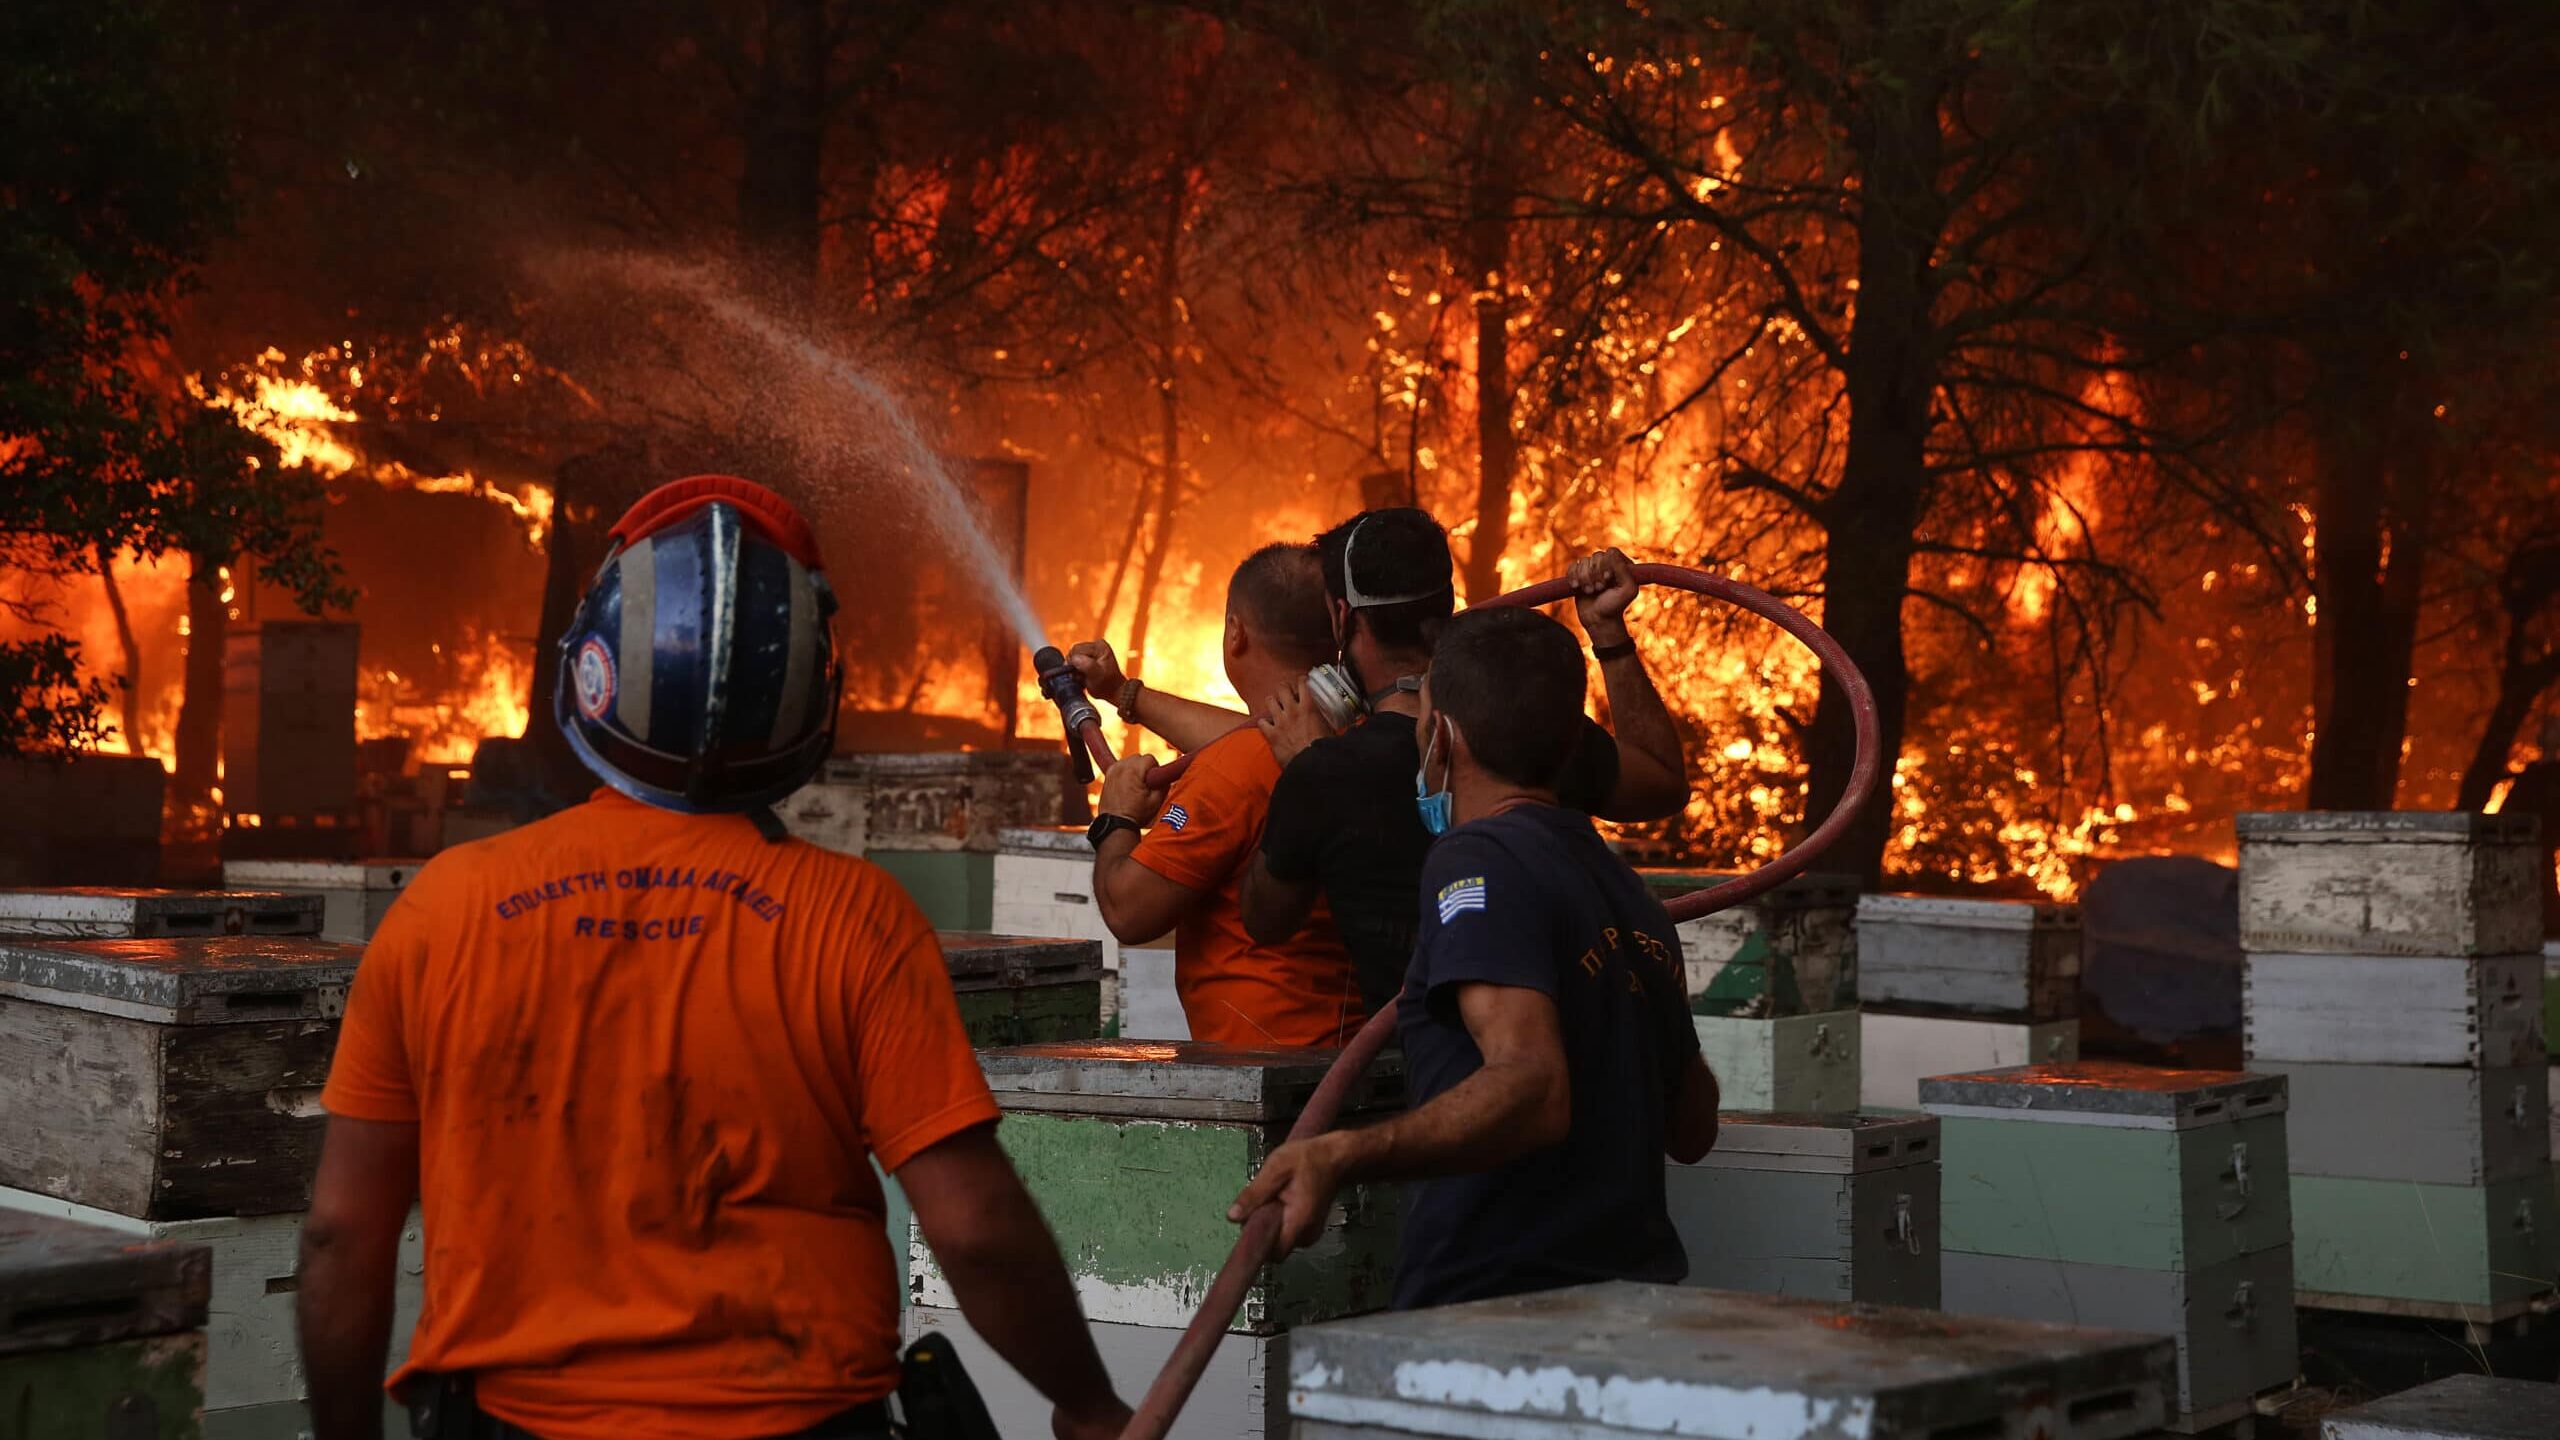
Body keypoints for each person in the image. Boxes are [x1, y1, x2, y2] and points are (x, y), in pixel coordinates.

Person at [297, 475, 1131, 1440]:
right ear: (810, 698)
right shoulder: (854, 918)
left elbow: (339, 1234)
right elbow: (978, 1235)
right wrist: (1089, 1401)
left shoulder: (442, 909)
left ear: (592, 671)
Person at [1227, 606, 1720, 1308]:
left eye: (1424, 720)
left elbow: (1533, 1088)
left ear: (1443, 738)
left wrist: (1338, 1154)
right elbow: (1693, 1127)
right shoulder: (1628, 894)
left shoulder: (1476, 857)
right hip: (1635, 1303)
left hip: (1498, 1308)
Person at [1086, 543, 1365, 1047]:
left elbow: (1128, 910)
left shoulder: (1229, 773)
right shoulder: (1362, 734)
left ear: (1235, 632)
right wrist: (1123, 693)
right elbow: (1247, 737)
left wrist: (1117, 820)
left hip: (1264, 1065)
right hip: (1353, 1052)